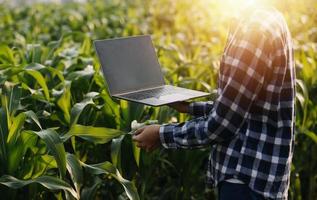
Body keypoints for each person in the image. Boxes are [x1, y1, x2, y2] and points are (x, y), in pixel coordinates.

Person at [132, 2, 295, 200]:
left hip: (245, 180)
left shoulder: (253, 31)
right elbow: (246, 110)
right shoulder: (268, 17)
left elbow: (222, 125)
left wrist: (161, 134)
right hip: (257, 176)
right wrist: (191, 107)